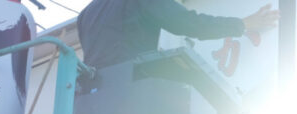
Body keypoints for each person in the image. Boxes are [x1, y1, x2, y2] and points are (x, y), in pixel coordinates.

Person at [77, 0, 280, 68]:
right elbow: (190, 23)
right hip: (130, 96)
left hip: (89, 108)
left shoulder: (86, 15)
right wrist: (243, 24)